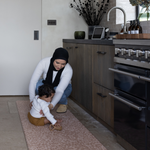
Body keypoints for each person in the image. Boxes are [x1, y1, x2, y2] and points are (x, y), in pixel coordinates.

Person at [29, 47, 73, 113]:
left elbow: (60, 90)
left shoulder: (68, 70)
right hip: (46, 82)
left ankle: (63, 103)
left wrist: (51, 106)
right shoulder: (44, 62)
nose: (59, 66)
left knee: (59, 94)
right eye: (57, 62)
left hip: (62, 87)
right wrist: (32, 100)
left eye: (63, 64)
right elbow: (33, 81)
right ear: (53, 59)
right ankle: (45, 100)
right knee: (38, 88)